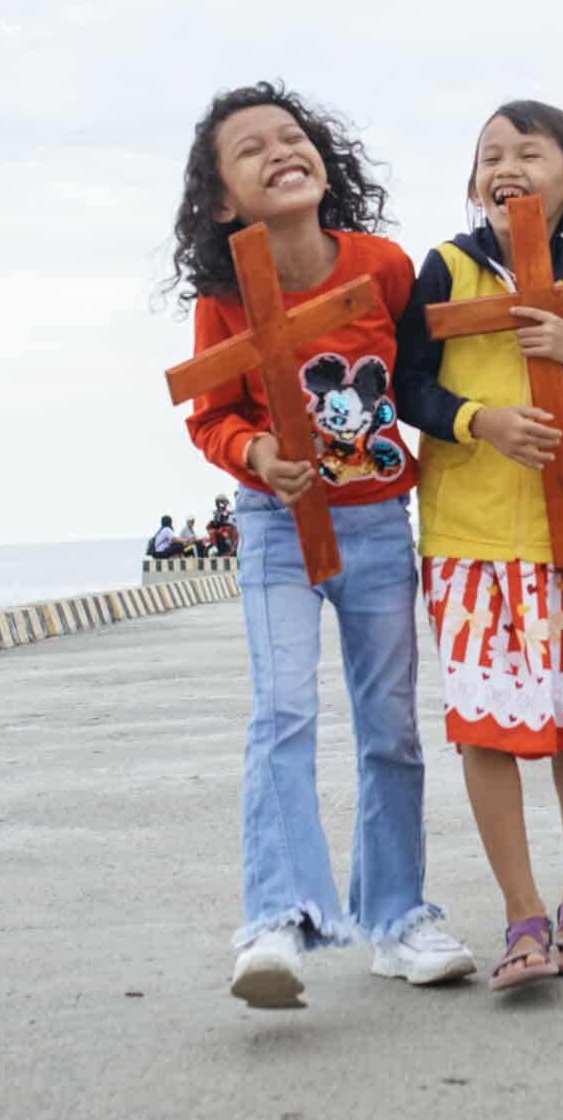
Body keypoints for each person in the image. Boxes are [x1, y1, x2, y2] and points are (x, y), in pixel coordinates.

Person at [170, 80, 476, 1007]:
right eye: (250, 149)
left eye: (291, 136)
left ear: (323, 156)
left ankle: (396, 916)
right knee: (284, 715)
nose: (279, 152)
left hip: (381, 523)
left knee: (392, 728)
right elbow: (209, 411)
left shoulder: (381, 266)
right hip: (273, 528)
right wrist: (255, 449)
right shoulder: (226, 297)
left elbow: (425, 376)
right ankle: (275, 918)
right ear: (223, 197)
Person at [396, 100, 563, 991]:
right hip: (467, 535)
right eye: (490, 154)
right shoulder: (447, 267)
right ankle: (523, 913)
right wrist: (479, 420)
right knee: (486, 729)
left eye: (527, 153)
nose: (505, 166)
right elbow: (407, 386)